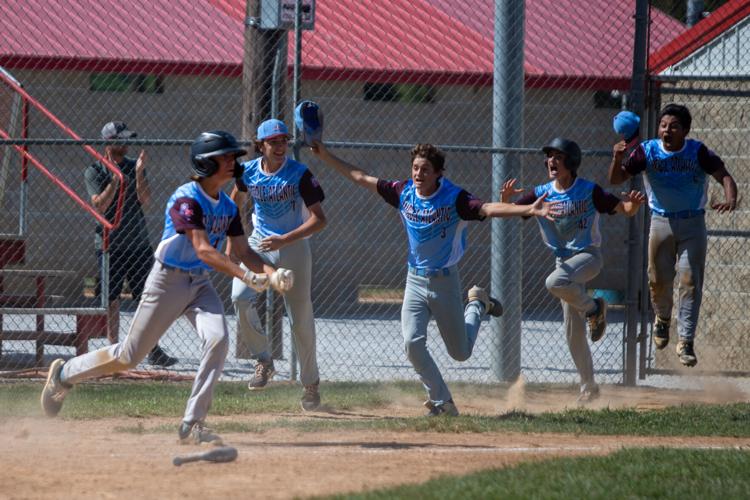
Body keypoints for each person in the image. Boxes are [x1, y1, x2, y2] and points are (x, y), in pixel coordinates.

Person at [41, 131, 294, 445]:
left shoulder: (227, 207)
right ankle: (65, 374)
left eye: (233, 157)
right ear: (205, 162)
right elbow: (202, 249)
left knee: (217, 340)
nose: (233, 162)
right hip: (167, 282)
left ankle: (193, 423)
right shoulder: (186, 199)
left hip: (199, 284)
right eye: (225, 157)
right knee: (128, 357)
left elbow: (242, 250)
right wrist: (245, 277)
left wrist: (273, 273)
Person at [311, 141, 551, 416]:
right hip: (414, 280)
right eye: (415, 168)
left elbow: (486, 208)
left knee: (460, 353)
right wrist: (325, 155)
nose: (418, 174)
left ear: (439, 173)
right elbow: (361, 177)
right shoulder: (403, 192)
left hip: (444, 283)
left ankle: (477, 305)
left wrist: (526, 209)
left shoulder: (454, 197)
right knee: (412, 343)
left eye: (425, 169)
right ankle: (442, 401)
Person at [504, 138, 646, 403]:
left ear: (571, 162)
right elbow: (514, 211)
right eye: (549, 157)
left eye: (558, 157)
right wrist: (506, 200)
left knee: (553, 282)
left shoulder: (588, 190)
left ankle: (594, 308)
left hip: (588, 257)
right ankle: (589, 386)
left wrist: (634, 205)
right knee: (573, 332)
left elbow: (624, 209)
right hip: (564, 263)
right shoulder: (542, 193)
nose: (551, 161)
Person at [609, 104, 738, 367]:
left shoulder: (697, 151)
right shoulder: (647, 151)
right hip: (661, 222)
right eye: (663, 125)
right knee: (658, 280)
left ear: (685, 131)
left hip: (693, 223)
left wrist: (731, 198)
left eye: (674, 126)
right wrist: (616, 158)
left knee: (690, 280)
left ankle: (686, 341)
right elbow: (616, 179)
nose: (667, 130)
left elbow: (724, 176)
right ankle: (662, 319)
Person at [228, 119, 327, 411]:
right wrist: (232, 242)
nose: (280, 146)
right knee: (239, 296)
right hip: (260, 246)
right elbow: (235, 201)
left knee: (300, 319)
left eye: (284, 140)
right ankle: (263, 359)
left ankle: (310, 384)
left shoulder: (299, 174)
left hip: (293, 246)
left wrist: (285, 239)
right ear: (261, 145)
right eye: (273, 142)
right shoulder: (248, 172)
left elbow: (319, 219)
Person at [85, 121, 177, 367]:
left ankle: (152, 348)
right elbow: (99, 205)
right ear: (109, 142)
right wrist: (115, 180)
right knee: (112, 299)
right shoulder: (95, 170)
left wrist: (137, 173)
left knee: (146, 296)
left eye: (127, 139)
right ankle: (113, 350)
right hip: (109, 245)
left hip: (137, 243)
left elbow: (145, 199)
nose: (126, 143)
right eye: (121, 139)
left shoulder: (134, 165)